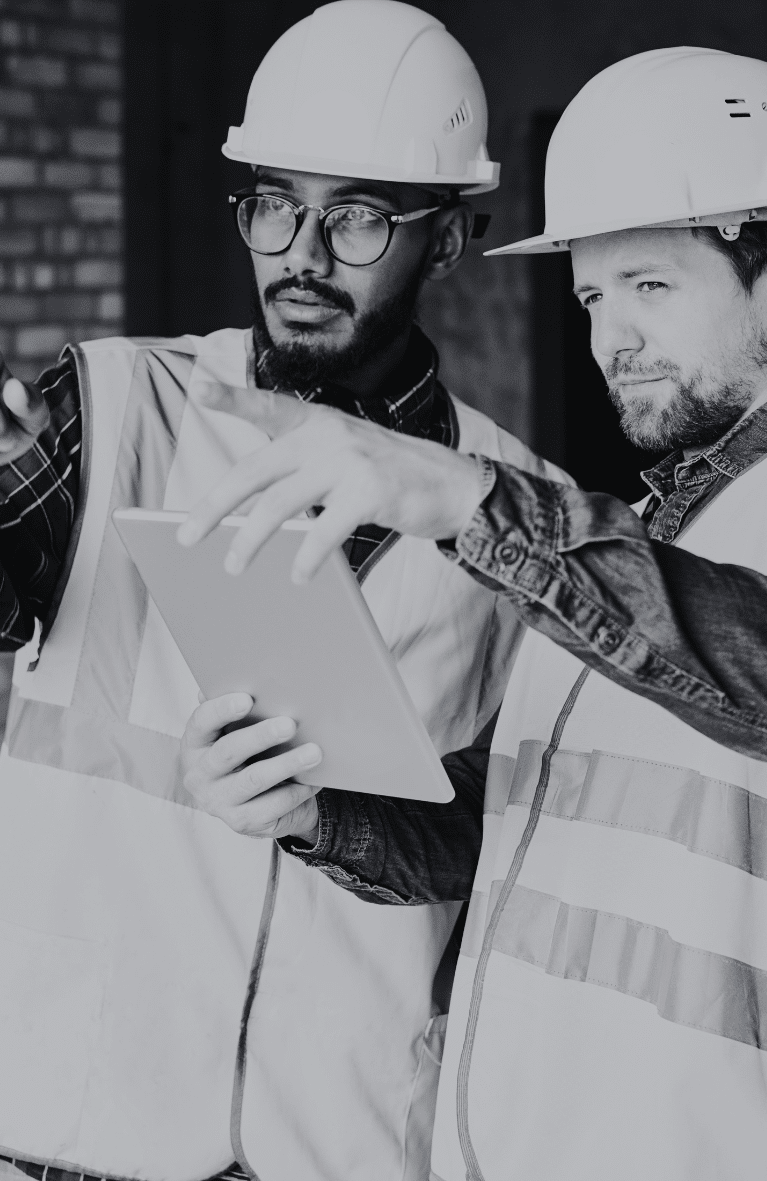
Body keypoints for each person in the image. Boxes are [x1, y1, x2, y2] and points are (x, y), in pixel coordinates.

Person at [0, 5, 565, 1179]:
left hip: (338, 1122)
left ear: (453, 239)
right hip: (97, 1103)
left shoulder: (519, 512)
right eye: (275, 205)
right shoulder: (123, 400)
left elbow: (494, 837)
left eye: (359, 217)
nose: (303, 256)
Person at [176, 47, 767, 1181]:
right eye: (593, 295)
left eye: (651, 285)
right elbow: (486, 830)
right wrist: (312, 809)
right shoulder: (641, 543)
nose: (613, 339)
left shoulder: (628, 558)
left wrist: (465, 496)